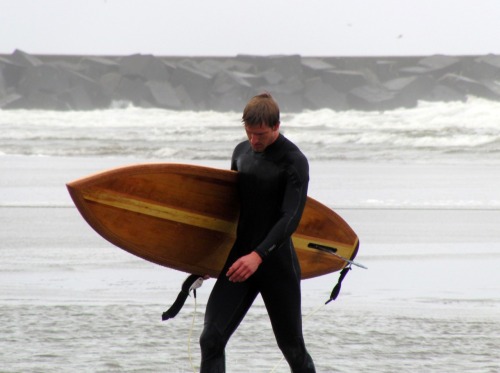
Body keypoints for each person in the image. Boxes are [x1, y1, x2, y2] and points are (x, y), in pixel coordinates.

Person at [199, 92, 316, 372]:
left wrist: (259, 255)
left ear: (277, 126)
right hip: (240, 261)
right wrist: (206, 260)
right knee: (211, 339)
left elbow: (291, 218)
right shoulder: (241, 153)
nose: (254, 141)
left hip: (276, 265)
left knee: (292, 347)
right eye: (249, 133)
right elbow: (230, 211)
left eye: (261, 134)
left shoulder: (293, 161)